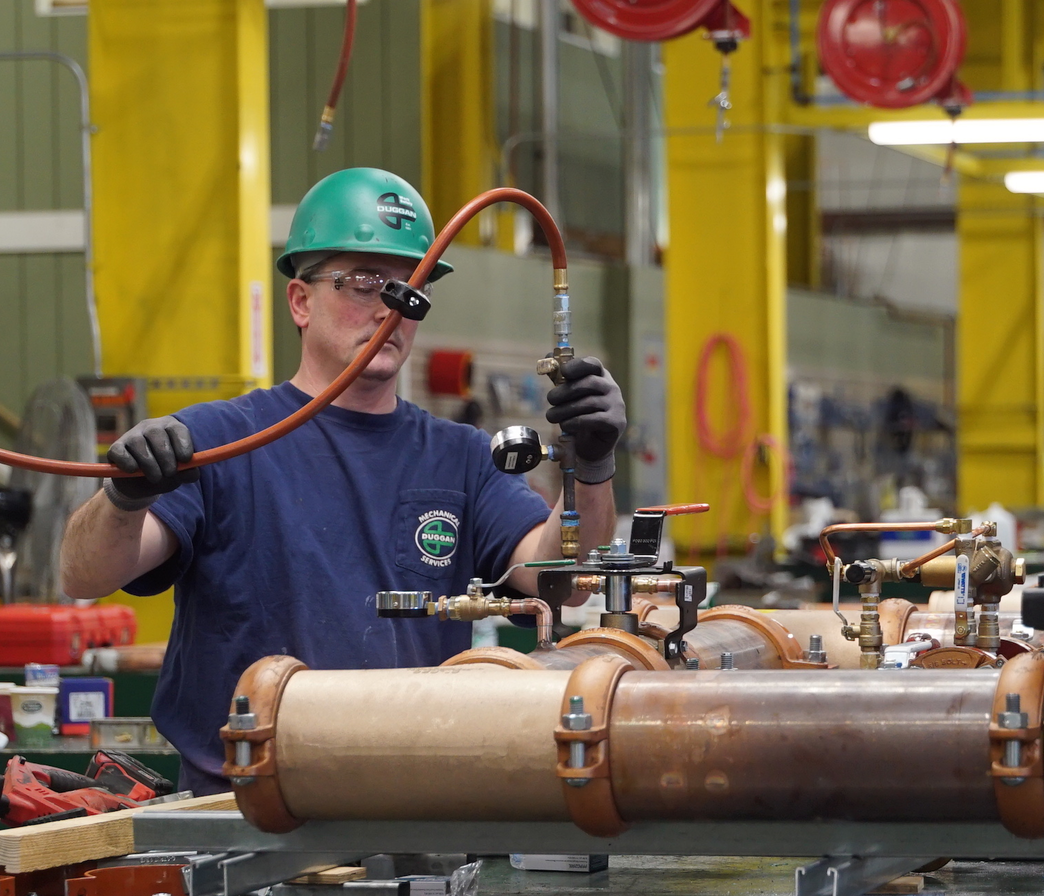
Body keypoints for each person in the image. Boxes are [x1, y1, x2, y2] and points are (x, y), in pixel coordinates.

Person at [58, 168, 625, 793]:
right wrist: (124, 496)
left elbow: (563, 583)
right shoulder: (220, 441)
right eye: (363, 285)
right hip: (243, 822)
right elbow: (84, 574)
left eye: (408, 289)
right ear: (300, 302)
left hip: (416, 812)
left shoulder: (461, 457)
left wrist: (591, 470)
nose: (391, 309)